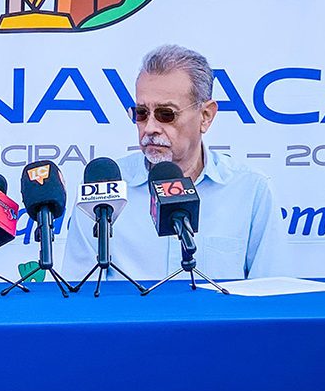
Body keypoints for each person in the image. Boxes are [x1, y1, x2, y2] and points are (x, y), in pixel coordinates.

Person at [62, 44, 278, 282]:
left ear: (205, 116)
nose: (150, 128)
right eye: (141, 113)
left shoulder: (250, 189)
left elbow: (270, 293)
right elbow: (80, 290)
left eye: (166, 114)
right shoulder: (103, 187)